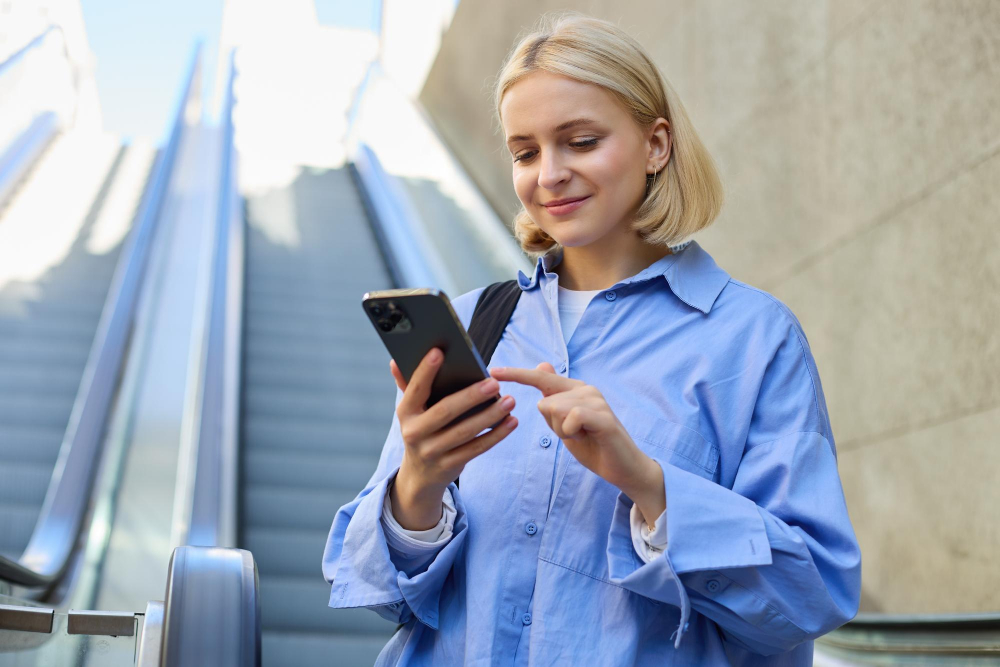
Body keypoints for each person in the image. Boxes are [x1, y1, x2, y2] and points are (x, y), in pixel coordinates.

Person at [323, 12, 861, 666]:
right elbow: (380, 594)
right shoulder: (471, 324)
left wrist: (647, 485)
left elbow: (813, 596)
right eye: (525, 151)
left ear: (656, 145)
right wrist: (418, 485)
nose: (548, 174)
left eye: (579, 141)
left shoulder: (751, 339)